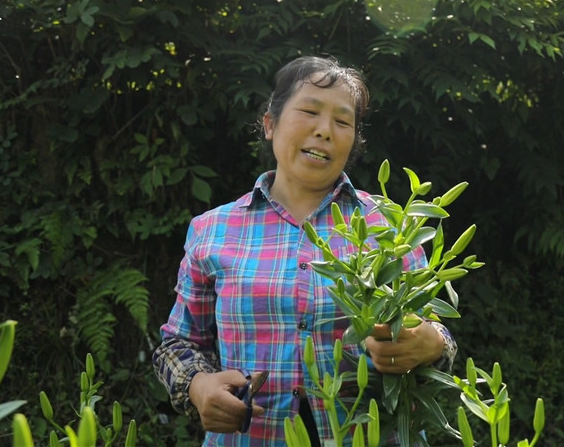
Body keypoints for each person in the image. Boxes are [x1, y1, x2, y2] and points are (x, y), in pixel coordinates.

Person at [152, 55, 457, 446]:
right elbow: (178, 343)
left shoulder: (391, 227)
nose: (324, 131)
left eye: (343, 121)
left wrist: (432, 342)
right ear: (270, 124)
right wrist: (197, 384)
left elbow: (434, 332)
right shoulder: (212, 230)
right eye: (309, 111)